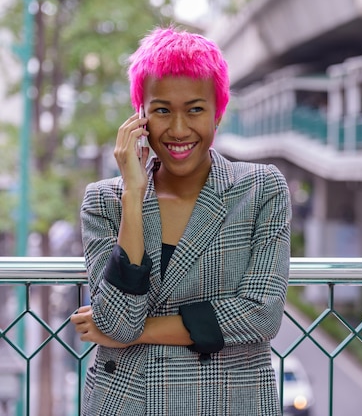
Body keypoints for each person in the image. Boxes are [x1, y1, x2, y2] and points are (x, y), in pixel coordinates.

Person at [70, 26, 291, 415]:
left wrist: (145, 331)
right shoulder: (105, 200)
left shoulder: (261, 189)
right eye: (161, 110)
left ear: (217, 112)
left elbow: (261, 314)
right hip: (128, 400)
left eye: (194, 109)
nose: (177, 129)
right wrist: (133, 197)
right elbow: (118, 324)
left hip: (227, 401)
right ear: (140, 117)